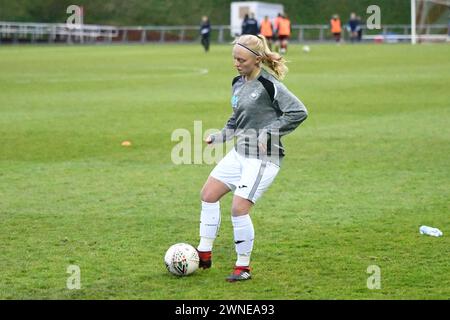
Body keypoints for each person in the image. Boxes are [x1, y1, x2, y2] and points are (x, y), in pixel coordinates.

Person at [196, 34, 308, 282]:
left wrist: (269, 133)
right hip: (239, 154)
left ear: (257, 59)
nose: (237, 64)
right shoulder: (237, 82)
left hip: (263, 158)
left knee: (239, 208)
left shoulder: (270, 85)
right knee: (208, 194)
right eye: (234, 59)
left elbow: (299, 112)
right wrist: (219, 136)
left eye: (242, 59)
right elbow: (236, 118)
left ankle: (242, 267)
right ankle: (203, 254)